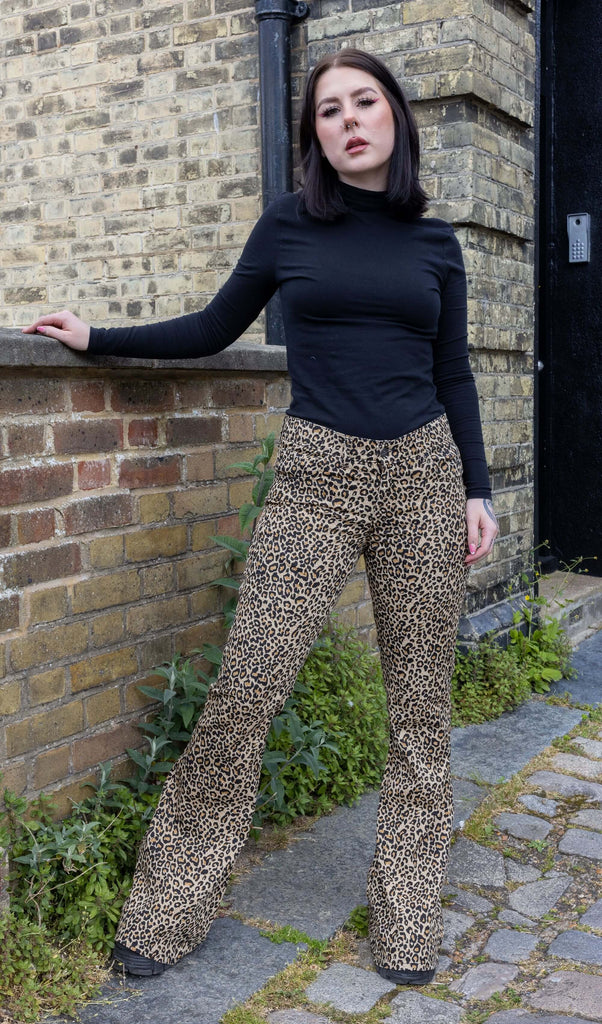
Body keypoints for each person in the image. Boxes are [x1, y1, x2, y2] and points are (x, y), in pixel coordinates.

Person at [23, 49, 498, 986]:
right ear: (314, 136)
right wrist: (96, 338)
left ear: (395, 117)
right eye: (329, 110)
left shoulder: (436, 245)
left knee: (419, 710)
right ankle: (166, 908)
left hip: (424, 475)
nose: (349, 120)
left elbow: (455, 375)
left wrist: (476, 490)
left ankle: (407, 920)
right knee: (247, 690)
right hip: (316, 476)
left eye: (365, 102)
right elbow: (210, 328)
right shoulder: (289, 226)